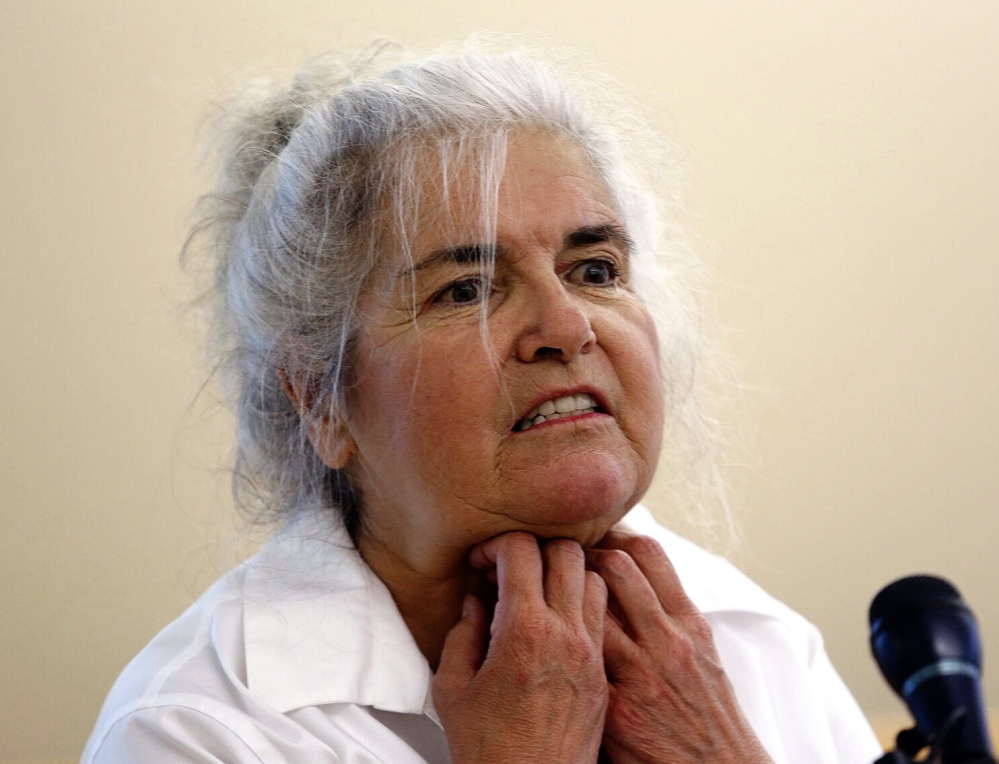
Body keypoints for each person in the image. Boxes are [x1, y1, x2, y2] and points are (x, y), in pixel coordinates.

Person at [83, 41, 883, 764]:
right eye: (466, 289)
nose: (566, 327)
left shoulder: (748, 640)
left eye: (596, 270)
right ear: (319, 399)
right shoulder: (190, 729)